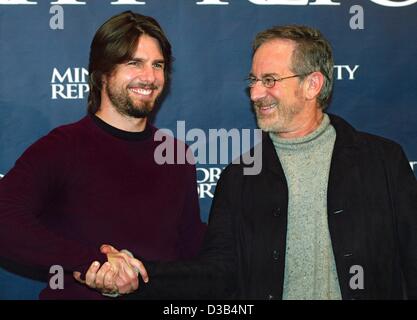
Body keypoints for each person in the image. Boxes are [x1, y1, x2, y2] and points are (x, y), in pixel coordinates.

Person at [80, 24, 417, 300]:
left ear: (312, 84)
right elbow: (217, 274)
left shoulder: (383, 162)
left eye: (270, 80)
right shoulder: (240, 177)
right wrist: (137, 274)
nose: (256, 93)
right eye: (254, 81)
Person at [0, 11, 206, 299]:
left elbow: (190, 253)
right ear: (103, 72)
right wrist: (89, 261)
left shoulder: (175, 154)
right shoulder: (63, 146)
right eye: (134, 63)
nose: (149, 77)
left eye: (157, 65)